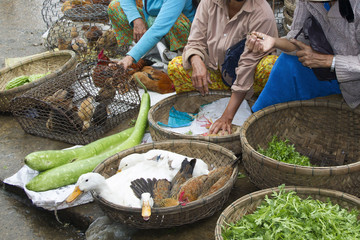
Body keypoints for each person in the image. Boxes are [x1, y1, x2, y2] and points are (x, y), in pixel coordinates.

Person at [167, 0, 279, 134]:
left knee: (270, 65)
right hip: (216, 73)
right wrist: (197, 61)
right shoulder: (209, 2)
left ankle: (251, 106)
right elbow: (195, 41)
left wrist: (227, 117)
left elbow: (247, 65)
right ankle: (198, 106)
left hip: (250, 83)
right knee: (176, 66)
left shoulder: (262, 13)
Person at [247, 0, 360, 112]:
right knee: (287, 63)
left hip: (354, 79)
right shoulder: (307, 1)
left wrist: (331, 61)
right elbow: (297, 39)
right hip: (330, 72)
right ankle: (262, 116)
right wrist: (273, 42)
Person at [108, 0, 198, 69]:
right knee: (115, 6)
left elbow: (159, 28)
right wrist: (136, 19)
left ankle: (181, 61)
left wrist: (131, 56)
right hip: (152, 22)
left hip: (179, 31)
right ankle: (141, 57)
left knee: (176, 21)